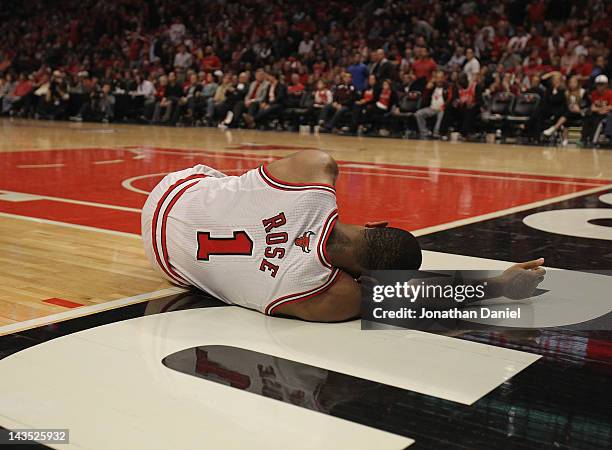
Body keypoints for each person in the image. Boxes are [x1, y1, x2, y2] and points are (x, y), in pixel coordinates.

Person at [141, 150, 546, 322]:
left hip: (171, 192)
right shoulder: (333, 298)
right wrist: (496, 286)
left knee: (242, 185)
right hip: (165, 260)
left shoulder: (316, 172)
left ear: (377, 225)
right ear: (366, 278)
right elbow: (407, 300)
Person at [415, 71, 450, 139]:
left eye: (441, 78)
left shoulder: (447, 87)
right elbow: (424, 99)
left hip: (442, 109)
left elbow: (450, 99)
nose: (439, 80)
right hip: (431, 108)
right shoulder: (432, 87)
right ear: (435, 79)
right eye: (437, 78)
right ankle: (425, 132)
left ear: (444, 78)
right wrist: (427, 89)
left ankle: (436, 133)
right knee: (418, 113)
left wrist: (444, 106)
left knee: (442, 112)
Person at [581, 75, 612, 146]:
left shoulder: (610, 93)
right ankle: (583, 139)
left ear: (606, 85)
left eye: (602, 84)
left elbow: (611, 106)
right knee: (587, 118)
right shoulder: (594, 93)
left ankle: (593, 140)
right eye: (598, 84)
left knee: (598, 120)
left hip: (607, 114)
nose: (599, 86)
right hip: (598, 113)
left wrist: (600, 109)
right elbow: (592, 107)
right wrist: (600, 109)